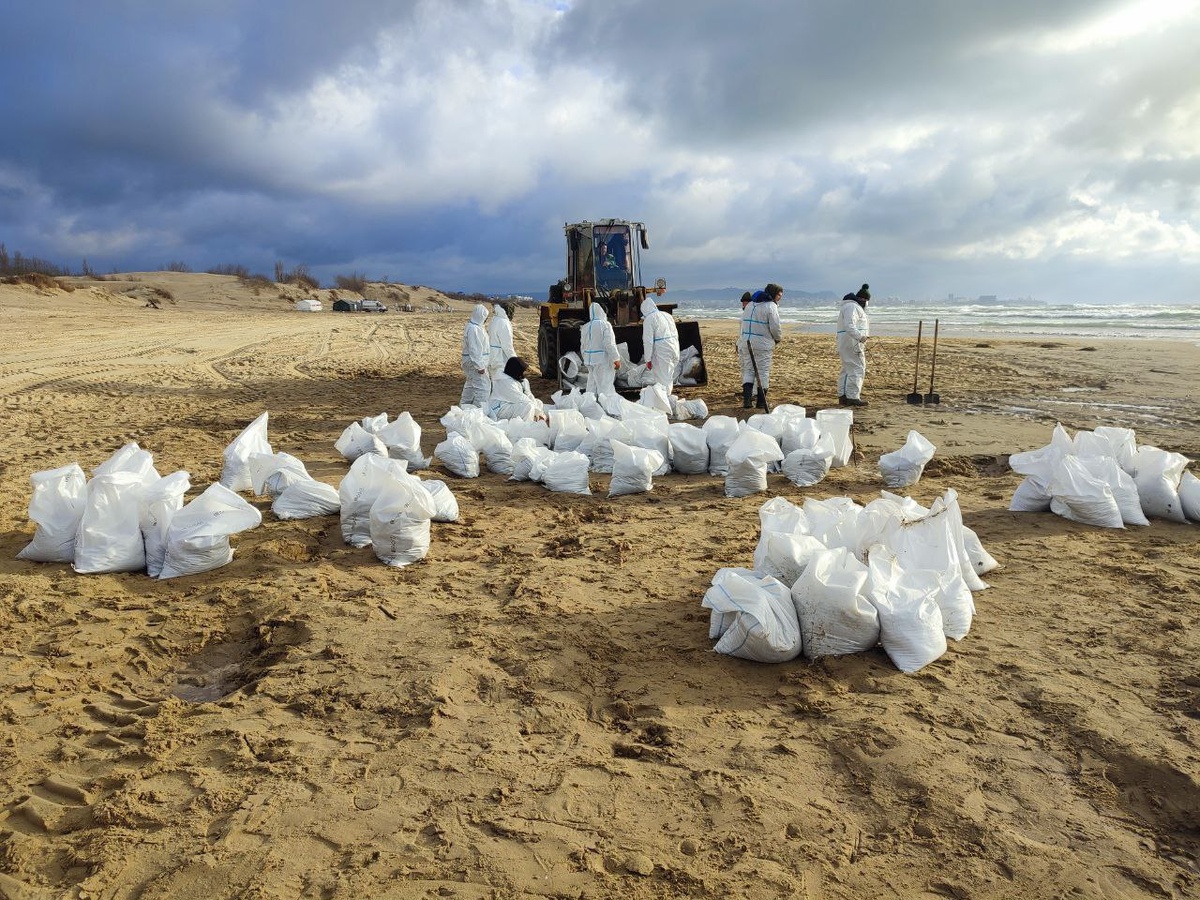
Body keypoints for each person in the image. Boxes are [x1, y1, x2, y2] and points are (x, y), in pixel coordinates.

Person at [738, 283, 783, 409]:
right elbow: (775, 327)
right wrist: (777, 339)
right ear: (773, 294)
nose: (780, 298)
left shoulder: (750, 305)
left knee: (749, 370)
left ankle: (747, 402)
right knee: (763, 372)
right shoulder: (771, 306)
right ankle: (761, 402)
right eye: (779, 295)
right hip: (763, 345)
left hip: (747, 342)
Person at [836, 287, 870, 406]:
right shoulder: (853, 307)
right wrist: (861, 337)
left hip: (847, 342)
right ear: (864, 299)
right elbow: (849, 325)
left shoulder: (849, 306)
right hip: (852, 343)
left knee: (847, 369)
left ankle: (843, 396)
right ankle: (853, 397)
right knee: (857, 368)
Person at [487, 356, 546, 421]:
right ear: (516, 370)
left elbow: (528, 395)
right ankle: (525, 426)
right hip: (500, 407)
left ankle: (534, 419)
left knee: (538, 402)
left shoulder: (522, 380)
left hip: (512, 403)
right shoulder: (505, 382)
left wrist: (539, 412)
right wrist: (536, 411)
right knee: (528, 407)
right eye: (522, 371)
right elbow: (520, 398)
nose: (524, 373)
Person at [640, 295, 680, 390]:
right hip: (674, 348)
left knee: (663, 381)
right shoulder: (668, 315)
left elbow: (648, 341)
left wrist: (648, 359)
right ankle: (665, 399)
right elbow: (676, 334)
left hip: (663, 352)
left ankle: (665, 401)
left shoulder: (649, 319)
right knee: (668, 377)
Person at [580, 301, 621, 395]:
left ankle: (590, 405)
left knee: (591, 385)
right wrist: (616, 359)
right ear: (602, 312)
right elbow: (609, 343)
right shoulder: (605, 325)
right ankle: (605, 407)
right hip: (602, 361)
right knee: (605, 387)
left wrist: (585, 358)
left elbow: (583, 346)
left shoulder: (585, 327)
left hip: (589, 361)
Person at [460, 303, 491, 407]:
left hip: (472, 362)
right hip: (474, 363)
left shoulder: (474, 326)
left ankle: (464, 408)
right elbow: (475, 349)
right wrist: (480, 366)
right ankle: (478, 412)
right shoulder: (474, 329)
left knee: (471, 386)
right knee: (483, 388)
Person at [486, 302, 515, 382]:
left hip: (492, 356)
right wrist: (515, 360)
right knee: (501, 384)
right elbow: (507, 346)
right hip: (500, 358)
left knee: (494, 382)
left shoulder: (495, 319)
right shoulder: (504, 323)